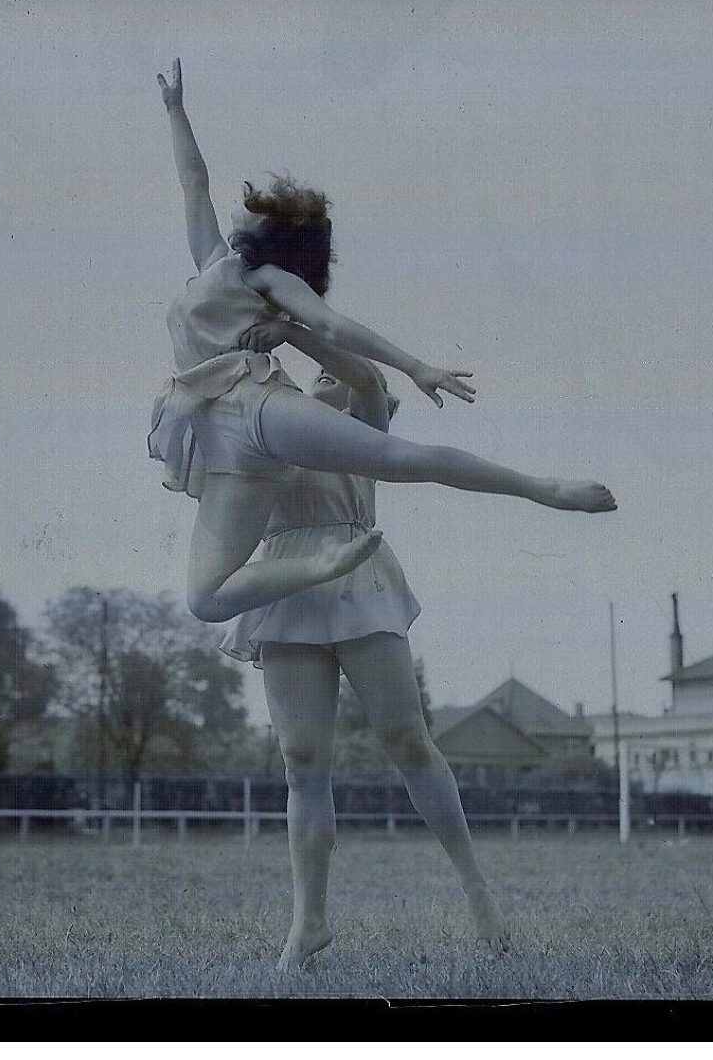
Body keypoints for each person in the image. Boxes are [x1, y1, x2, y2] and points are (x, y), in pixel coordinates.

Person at [151, 58, 617, 625]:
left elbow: (331, 326)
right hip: (218, 442)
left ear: (272, 237)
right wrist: (177, 111)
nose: (237, 208)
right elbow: (193, 184)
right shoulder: (213, 264)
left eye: (251, 211)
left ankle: (545, 489)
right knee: (206, 600)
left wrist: (415, 366)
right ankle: (324, 565)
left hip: (252, 407)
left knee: (399, 459)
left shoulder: (264, 280)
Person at [220, 318, 510, 969]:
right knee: (301, 758)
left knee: (404, 735)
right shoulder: (263, 426)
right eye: (308, 370)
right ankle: (309, 920)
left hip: (356, 567)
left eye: (328, 366)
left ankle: (476, 891)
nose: (321, 373)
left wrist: (290, 331)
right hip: (287, 578)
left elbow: (366, 377)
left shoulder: (361, 419)